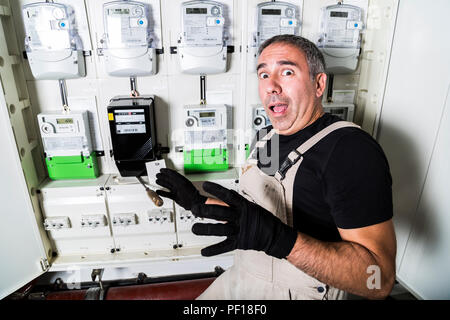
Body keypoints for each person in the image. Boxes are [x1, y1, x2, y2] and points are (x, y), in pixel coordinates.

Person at [155, 35, 396, 300]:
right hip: (245, 278)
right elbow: (257, 218)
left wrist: (280, 241)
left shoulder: (350, 150)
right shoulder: (266, 138)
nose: (272, 86)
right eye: (263, 75)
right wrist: (200, 200)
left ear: (319, 84)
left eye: (287, 72)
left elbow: (379, 279)